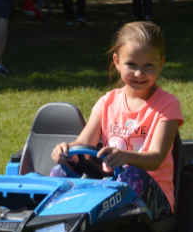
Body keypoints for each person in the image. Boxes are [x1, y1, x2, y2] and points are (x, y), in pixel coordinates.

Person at [50, 21, 184, 221]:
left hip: (153, 199)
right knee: (60, 172)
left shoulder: (167, 105)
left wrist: (125, 157)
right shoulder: (108, 102)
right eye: (131, 64)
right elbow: (83, 144)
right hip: (107, 191)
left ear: (161, 64)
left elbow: (156, 158)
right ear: (117, 62)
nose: (139, 73)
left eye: (148, 65)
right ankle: (54, 228)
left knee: (131, 176)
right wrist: (65, 150)